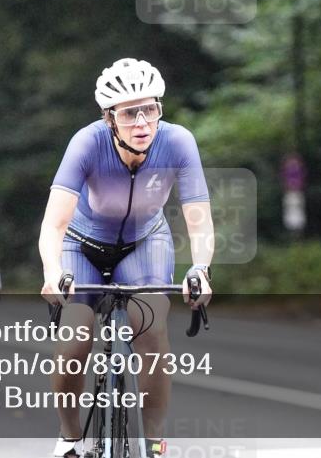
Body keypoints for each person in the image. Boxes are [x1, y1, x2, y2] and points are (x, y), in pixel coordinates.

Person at [39, 58, 215, 458]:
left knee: (151, 332)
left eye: (150, 109)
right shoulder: (87, 143)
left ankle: (152, 441)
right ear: (109, 118)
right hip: (81, 244)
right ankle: (70, 437)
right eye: (128, 113)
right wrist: (52, 270)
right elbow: (54, 224)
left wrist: (201, 268)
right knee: (74, 341)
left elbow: (199, 220)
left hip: (144, 242)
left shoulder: (178, 142)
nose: (142, 122)